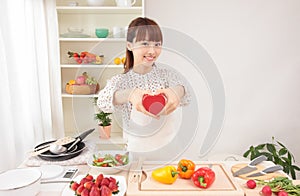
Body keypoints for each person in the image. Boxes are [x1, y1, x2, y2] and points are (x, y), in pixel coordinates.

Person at [97, 17, 190, 152]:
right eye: (145, 43)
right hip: (137, 153)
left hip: (170, 152)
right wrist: (130, 94)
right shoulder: (120, 81)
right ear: (130, 45)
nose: (152, 51)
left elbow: (184, 89)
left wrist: (176, 91)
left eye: (157, 44)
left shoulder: (167, 76)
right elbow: (102, 101)